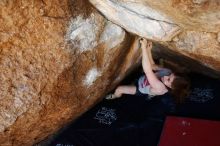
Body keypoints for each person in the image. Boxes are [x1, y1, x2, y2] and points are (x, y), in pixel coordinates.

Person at [106, 38, 190, 103]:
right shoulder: (168, 72)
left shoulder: (160, 87)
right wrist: (149, 50)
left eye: (168, 79)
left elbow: (148, 70)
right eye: (170, 75)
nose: (166, 76)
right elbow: (153, 66)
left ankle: (115, 96)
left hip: (140, 88)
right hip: (144, 79)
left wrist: (143, 48)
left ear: (171, 87)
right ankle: (152, 93)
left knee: (119, 89)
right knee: (157, 70)